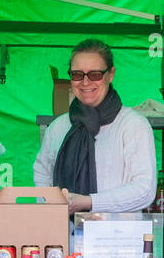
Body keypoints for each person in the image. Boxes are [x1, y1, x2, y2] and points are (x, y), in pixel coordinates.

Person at [32, 38, 156, 213]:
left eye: (95, 74)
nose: (85, 82)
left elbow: (144, 190)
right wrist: (49, 204)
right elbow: (42, 172)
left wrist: (89, 202)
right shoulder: (58, 127)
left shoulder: (132, 125)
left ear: (110, 74)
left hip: (117, 236)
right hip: (65, 236)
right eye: (77, 74)